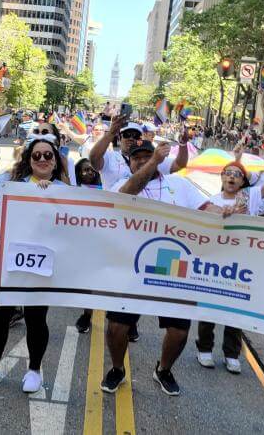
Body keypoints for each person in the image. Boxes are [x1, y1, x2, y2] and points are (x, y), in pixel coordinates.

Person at [102, 139, 223, 396]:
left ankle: (164, 370)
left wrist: (226, 212)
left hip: (171, 264)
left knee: (179, 331)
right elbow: (126, 196)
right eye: (138, 157)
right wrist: (155, 161)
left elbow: (207, 208)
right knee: (116, 327)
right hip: (131, 265)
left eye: (149, 155)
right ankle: (117, 369)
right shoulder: (119, 184)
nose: (144, 160)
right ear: (129, 162)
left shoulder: (178, 184)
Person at [0, 136, 66, 393]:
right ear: (29, 160)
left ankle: (34, 370)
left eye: (48, 155)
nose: (43, 159)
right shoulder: (10, 182)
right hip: (7, 261)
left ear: (56, 162)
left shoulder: (65, 191)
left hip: (42, 264)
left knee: (36, 319)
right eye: (37, 155)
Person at [196, 152, 264, 374]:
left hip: (242, 261)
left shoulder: (251, 196)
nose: (232, 177)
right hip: (216, 262)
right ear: (222, 177)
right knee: (210, 305)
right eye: (228, 173)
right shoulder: (210, 201)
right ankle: (204, 348)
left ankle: (231, 353)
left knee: (237, 305)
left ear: (243, 181)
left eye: (237, 174)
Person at [72, 158, 102, 334]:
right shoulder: (72, 191)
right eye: (85, 170)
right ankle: (86, 314)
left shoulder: (104, 190)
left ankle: (130, 324)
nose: (89, 173)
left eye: (92, 170)